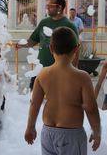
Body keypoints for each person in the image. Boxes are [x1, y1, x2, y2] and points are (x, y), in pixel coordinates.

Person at [24, 27, 101, 155]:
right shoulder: (82, 77)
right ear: (76, 49)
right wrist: (96, 131)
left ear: (51, 48)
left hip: (48, 133)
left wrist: (30, 127)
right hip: (72, 135)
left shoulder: (42, 75)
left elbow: (34, 104)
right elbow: (91, 108)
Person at [16, 0, 79, 91]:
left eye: (50, 6)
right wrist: (21, 45)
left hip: (60, 72)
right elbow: (32, 41)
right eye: (47, 5)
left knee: (55, 100)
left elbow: (76, 50)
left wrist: (73, 71)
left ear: (59, 7)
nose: (47, 8)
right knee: (33, 97)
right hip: (41, 69)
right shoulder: (44, 22)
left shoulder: (69, 26)